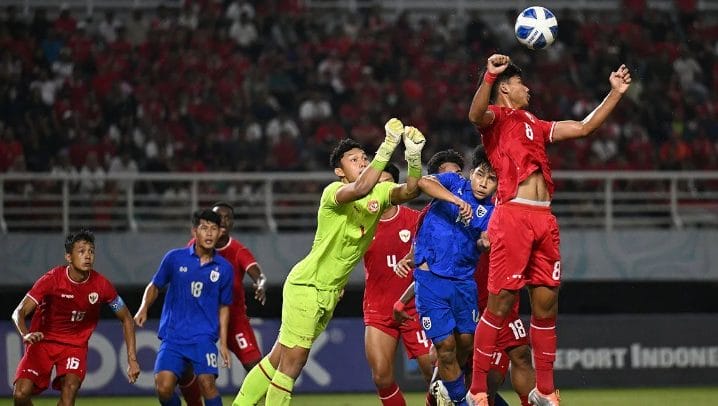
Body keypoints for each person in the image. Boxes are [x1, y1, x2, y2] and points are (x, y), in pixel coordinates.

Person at [467, 54, 631, 406]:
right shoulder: (498, 118)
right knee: (500, 304)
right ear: (506, 88)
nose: (529, 89)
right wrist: (489, 77)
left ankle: (544, 390)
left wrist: (615, 93)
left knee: (546, 306)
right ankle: (477, 389)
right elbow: (474, 115)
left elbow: (585, 127)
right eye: (522, 84)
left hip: (544, 219)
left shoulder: (536, 124)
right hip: (513, 216)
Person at [232, 118, 426, 406]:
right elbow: (360, 189)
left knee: (277, 358)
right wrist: (387, 145)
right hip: (307, 285)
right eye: (354, 160)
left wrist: (413, 156)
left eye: (364, 158)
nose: (361, 162)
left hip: (330, 293)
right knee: (293, 363)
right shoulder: (333, 193)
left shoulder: (379, 195)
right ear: (339, 171)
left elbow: (410, 191)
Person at [11, 229, 140, 406]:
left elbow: (126, 317)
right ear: (68, 257)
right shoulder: (51, 279)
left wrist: (132, 359)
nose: (88, 256)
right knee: (20, 394)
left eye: (91, 251)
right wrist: (25, 333)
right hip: (42, 342)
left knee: (69, 394)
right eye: (81, 251)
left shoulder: (102, 285)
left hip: (74, 346)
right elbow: (19, 312)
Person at [409, 146, 497, 406]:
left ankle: (446, 389)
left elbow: (485, 239)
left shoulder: (493, 210)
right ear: (471, 173)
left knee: (466, 345)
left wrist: (485, 242)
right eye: (480, 175)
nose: (483, 183)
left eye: (491, 179)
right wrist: (456, 201)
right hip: (430, 279)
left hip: (463, 282)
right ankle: (459, 401)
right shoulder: (453, 182)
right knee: (445, 348)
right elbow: (422, 182)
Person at [134, 209, 234, 406]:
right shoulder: (174, 258)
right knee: (163, 387)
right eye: (204, 228)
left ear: (219, 233)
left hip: (203, 338)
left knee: (207, 384)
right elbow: (155, 285)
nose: (209, 233)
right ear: (194, 232)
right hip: (173, 337)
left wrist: (223, 343)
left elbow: (224, 307)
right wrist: (144, 307)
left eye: (214, 229)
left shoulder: (224, 268)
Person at [178, 201, 269, 406]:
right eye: (220, 218)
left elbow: (257, 274)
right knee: (186, 370)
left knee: (257, 368)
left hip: (235, 319)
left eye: (229, 217)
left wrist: (260, 284)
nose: (225, 221)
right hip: (203, 319)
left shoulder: (237, 250)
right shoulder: (194, 248)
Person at [362, 162, 433, 406]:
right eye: (375, 183)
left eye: (385, 183)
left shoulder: (416, 221)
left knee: (435, 375)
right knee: (381, 377)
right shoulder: (361, 224)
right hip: (379, 308)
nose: (379, 188)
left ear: (396, 187)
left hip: (417, 306)